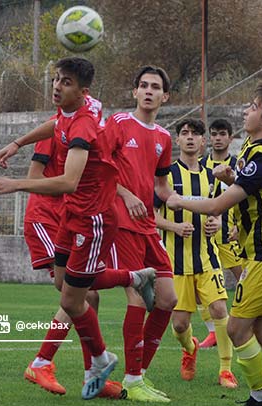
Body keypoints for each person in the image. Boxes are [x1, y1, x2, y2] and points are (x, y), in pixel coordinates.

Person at [0, 57, 155, 400]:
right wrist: (19, 142)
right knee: (67, 286)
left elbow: (69, 181)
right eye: (56, 80)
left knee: (74, 298)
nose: (57, 87)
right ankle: (134, 278)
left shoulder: (83, 126)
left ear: (83, 91)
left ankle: (99, 360)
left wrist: (16, 185)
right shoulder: (76, 110)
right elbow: (55, 124)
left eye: (65, 82)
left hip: (92, 220)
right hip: (71, 216)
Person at [166, 82, 262, 406]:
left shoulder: (261, 159)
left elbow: (217, 206)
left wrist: (180, 200)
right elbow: (252, 191)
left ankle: (261, 395)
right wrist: (231, 177)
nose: (247, 110)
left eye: (253, 106)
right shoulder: (255, 148)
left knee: (235, 329)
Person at [21, 127, 123, 399]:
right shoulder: (58, 131)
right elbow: (35, 177)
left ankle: (91, 375)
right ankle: (42, 362)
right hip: (47, 217)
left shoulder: (89, 126)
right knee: (80, 293)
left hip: (75, 217)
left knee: (90, 297)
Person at [105, 65, 178, 402]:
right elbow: (97, 168)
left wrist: (188, 202)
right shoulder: (119, 124)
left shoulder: (164, 137)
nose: (149, 91)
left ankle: (139, 375)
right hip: (120, 223)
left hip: (148, 226)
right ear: (134, 91)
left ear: (165, 96)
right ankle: (132, 382)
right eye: (143, 86)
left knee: (168, 299)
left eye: (156, 87)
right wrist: (126, 193)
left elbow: (162, 186)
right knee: (135, 295)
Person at [154, 118, 239, 390]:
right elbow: (150, 215)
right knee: (179, 325)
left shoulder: (211, 176)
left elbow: (217, 208)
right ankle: (189, 347)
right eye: (184, 133)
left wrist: (216, 222)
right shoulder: (165, 175)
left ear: (203, 142)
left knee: (218, 308)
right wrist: (174, 226)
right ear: (177, 140)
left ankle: (226, 369)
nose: (190, 138)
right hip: (175, 262)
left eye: (195, 134)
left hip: (207, 256)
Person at [197, 118, 244, 349]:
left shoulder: (238, 165)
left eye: (222, 134)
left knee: (246, 279)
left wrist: (241, 226)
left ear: (230, 137)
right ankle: (213, 331)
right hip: (204, 236)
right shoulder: (199, 164)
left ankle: (248, 322)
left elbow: (247, 196)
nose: (217, 138)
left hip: (229, 236)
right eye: (214, 134)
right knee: (196, 287)